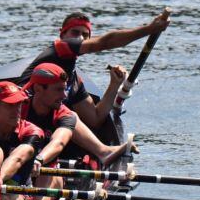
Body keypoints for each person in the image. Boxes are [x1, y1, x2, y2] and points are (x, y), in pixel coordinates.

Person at [22, 10, 171, 129]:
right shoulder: (59, 48)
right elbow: (105, 42)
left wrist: (114, 85)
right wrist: (149, 29)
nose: (80, 38)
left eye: (85, 35)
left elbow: (95, 119)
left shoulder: (74, 81)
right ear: (62, 34)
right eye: (75, 33)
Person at [23, 63, 132, 170]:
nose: (64, 95)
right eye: (58, 90)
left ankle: (103, 152)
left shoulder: (65, 114)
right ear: (38, 89)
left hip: (44, 162)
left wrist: (39, 160)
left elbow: (59, 142)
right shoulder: (18, 107)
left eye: (65, 89)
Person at [0, 81, 45, 200]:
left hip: (19, 194)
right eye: (10, 105)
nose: (17, 110)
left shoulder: (31, 131)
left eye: (19, 104)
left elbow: (17, 158)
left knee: (3, 199)